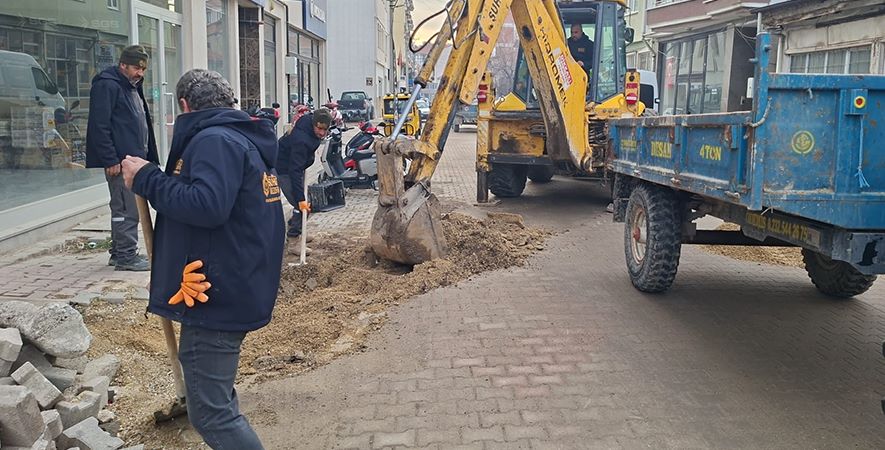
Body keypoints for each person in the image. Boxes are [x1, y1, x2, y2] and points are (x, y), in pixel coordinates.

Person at [121, 69, 284, 450]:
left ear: (183, 106)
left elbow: (206, 205)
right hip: (228, 284)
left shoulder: (214, 141)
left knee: (211, 414)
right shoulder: (237, 137)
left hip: (217, 295)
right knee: (219, 400)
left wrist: (146, 178)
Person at [86, 45, 159, 271]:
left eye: (143, 69)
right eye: (136, 67)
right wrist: (110, 159)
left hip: (133, 159)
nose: (140, 73)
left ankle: (120, 252)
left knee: (128, 207)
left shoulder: (131, 86)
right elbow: (100, 125)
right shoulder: (108, 85)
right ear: (123, 65)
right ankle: (125, 256)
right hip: (120, 162)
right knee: (125, 208)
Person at [277, 107, 332, 254]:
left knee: (306, 204)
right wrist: (300, 199)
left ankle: (299, 228)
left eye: (324, 130)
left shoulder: (309, 122)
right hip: (284, 170)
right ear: (314, 124)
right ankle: (293, 240)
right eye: (319, 129)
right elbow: (294, 171)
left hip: (295, 166)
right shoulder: (301, 140)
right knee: (301, 205)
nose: (321, 133)